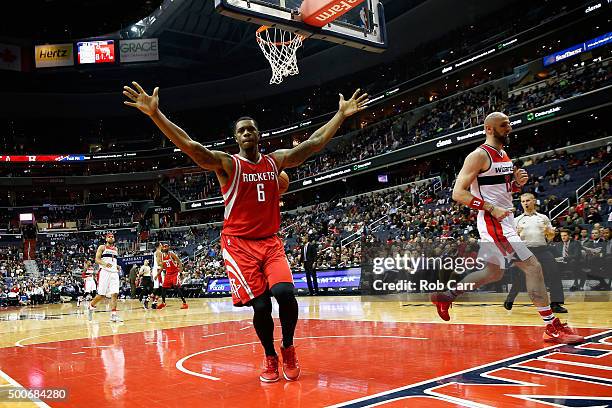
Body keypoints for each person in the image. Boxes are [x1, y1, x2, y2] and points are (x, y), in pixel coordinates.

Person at [123, 81, 368, 382]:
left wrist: (341, 115)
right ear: (235, 138)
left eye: (251, 128)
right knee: (262, 305)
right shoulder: (227, 164)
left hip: (270, 242)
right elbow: (190, 146)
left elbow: (314, 143)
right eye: (241, 130)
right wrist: (155, 114)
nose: (247, 133)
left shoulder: (274, 161)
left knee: (285, 294)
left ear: (258, 134)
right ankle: (269, 356)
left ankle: (288, 348)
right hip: (238, 245)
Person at [430, 112, 583, 344]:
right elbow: (458, 193)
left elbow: (501, 191)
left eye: (509, 123)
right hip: (494, 223)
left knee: (493, 273)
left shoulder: (504, 156)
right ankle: (551, 326)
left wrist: (515, 184)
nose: (509, 128)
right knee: (533, 267)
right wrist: (491, 208)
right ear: (489, 129)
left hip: (504, 220)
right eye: (504, 125)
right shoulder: (478, 155)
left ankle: (446, 296)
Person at [504, 193, 566, 313]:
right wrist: (516, 234)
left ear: (534, 201)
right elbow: (511, 240)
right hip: (525, 251)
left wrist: (550, 232)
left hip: (543, 249)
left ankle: (556, 303)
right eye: (523, 201)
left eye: (528, 200)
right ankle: (510, 299)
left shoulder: (543, 217)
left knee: (554, 273)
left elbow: (550, 237)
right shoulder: (516, 220)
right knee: (519, 277)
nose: (525, 203)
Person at [87, 233, 122, 322]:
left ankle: (113, 315)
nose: (111, 238)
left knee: (114, 294)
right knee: (101, 295)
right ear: (106, 239)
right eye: (109, 237)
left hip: (114, 273)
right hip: (104, 272)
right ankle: (91, 306)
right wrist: (105, 264)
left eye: (112, 237)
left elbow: (112, 260)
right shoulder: (102, 247)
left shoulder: (116, 249)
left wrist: (116, 266)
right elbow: (97, 259)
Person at [158, 244, 188, 310]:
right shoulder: (162, 256)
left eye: (166, 247)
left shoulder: (171, 254)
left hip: (175, 273)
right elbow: (163, 267)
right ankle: (163, 303)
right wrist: (158, 274)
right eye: (164, 247)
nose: (165, 248)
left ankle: (185, 303)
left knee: (176, 287)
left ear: (168, 248)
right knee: (163, 288)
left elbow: (179, 262)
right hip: (168, 274)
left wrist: (180, 272)